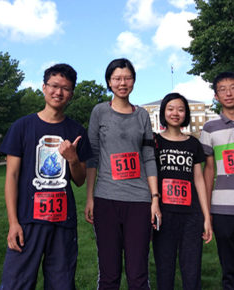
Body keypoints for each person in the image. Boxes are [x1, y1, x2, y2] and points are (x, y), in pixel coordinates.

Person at [0, 63, 92, 290]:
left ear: (71, 94)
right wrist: (13, 223)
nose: (58, 92)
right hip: (27, 221)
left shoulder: (76, 131)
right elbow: (11, 177)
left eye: (66, 88)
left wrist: (71, 158)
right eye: (54, 86)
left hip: (63, 223)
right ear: (43, 87)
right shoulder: (22, 127)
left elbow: (80, 180)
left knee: (61, 284)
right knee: (16, 284)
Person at [84, 58, 161, 290]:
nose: (122, 83)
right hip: (106, 199)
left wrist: (155, 199)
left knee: (138, 272)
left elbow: (148, 157)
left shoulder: (142, 116)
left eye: (127, 78)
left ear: (134, 81)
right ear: (109, 81)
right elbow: (93, 156)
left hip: (139, 201)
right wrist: (90, 197)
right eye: (117, 78)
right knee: (109, 272)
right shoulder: (99, 112)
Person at [152, 93, 213, 290]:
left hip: (190, 216)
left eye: (180, 109)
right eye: (170, 109)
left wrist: (206, 216)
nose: (175, 113)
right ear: (163, 112)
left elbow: (199, 180)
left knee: (192, 269)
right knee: (164, 269)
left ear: (186, 113)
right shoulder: (154, 142)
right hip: (163, 214)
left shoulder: (193, 144)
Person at [200, 72, 234, 290]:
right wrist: (207, 211)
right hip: (223, 209)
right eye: (222, 89)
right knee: (230, 269)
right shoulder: (209, 128)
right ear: (216, 96)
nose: (228, 93)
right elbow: (208, 171)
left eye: (233, 87)